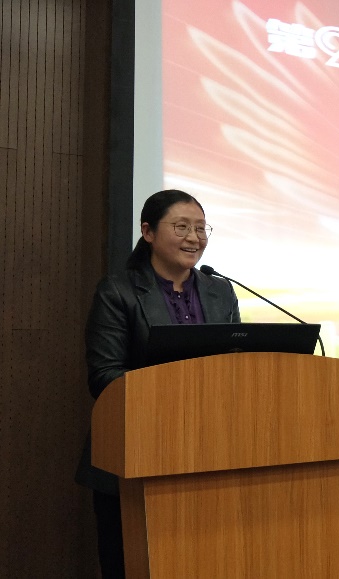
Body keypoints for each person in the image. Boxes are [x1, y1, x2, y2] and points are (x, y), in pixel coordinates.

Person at [75, 190, 241, 578]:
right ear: (148, 232)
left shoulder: (220, 291)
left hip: (209, 457)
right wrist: (178, 395)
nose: (194, 238)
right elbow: (104, 376)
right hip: (134, 455)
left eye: (201, 228)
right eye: (181, 227)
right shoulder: (118, 291)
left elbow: (235, 368)